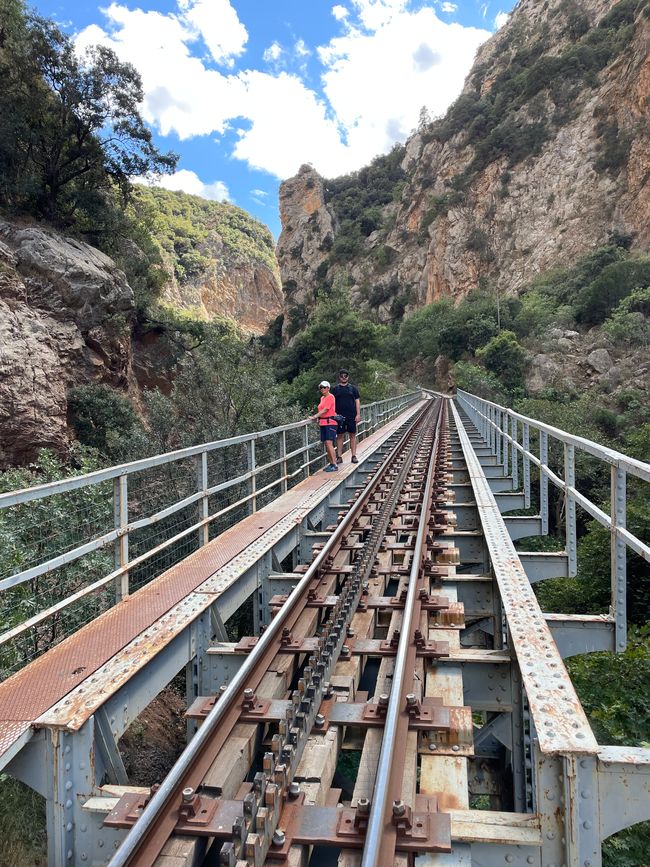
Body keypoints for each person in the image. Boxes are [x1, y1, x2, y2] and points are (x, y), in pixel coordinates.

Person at [332, 368, 361, 464]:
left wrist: (358, 414)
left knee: (352, 435)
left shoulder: (353, 389)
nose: (344, 378)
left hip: (351, 416)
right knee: (339, 436)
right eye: (342, 376)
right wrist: (334, 415)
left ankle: (354, 456)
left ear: (348, 377)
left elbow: (357, 401)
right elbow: (332, 403)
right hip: (339, 417)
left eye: (345, 376)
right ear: (339, 377)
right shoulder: (335, 389)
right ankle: (339, 457)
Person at [309, 380, 339, 472]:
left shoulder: (331, 397)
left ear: (328, 388)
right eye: (321, 387)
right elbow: (322, 410)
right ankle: (331, 463)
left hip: (330, 422)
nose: (322, 389)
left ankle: (335, 464)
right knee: (326, 444)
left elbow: (326, 409)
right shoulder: (322, 398)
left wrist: (315, 416)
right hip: (323, 423)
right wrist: (318, 418)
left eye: (324, 387)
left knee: (329, 444)